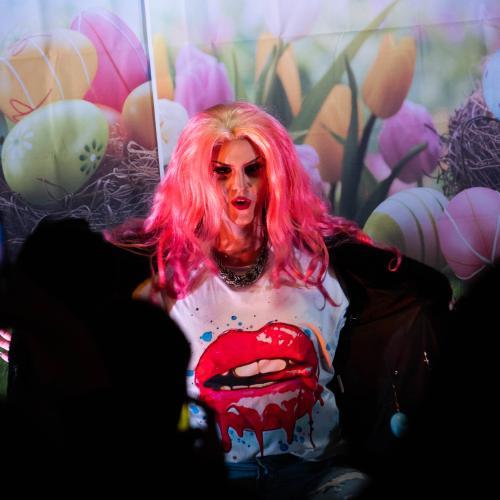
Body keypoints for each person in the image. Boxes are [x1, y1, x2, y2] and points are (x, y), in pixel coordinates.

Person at [111, 101, 452, 499]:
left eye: (252, 169)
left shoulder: (323, 272)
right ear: (197, 178)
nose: (239, 186)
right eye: (222, 172)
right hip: (214, 477)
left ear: (274, 173)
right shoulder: (168, 284)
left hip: (317, 473)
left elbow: (413, 304)